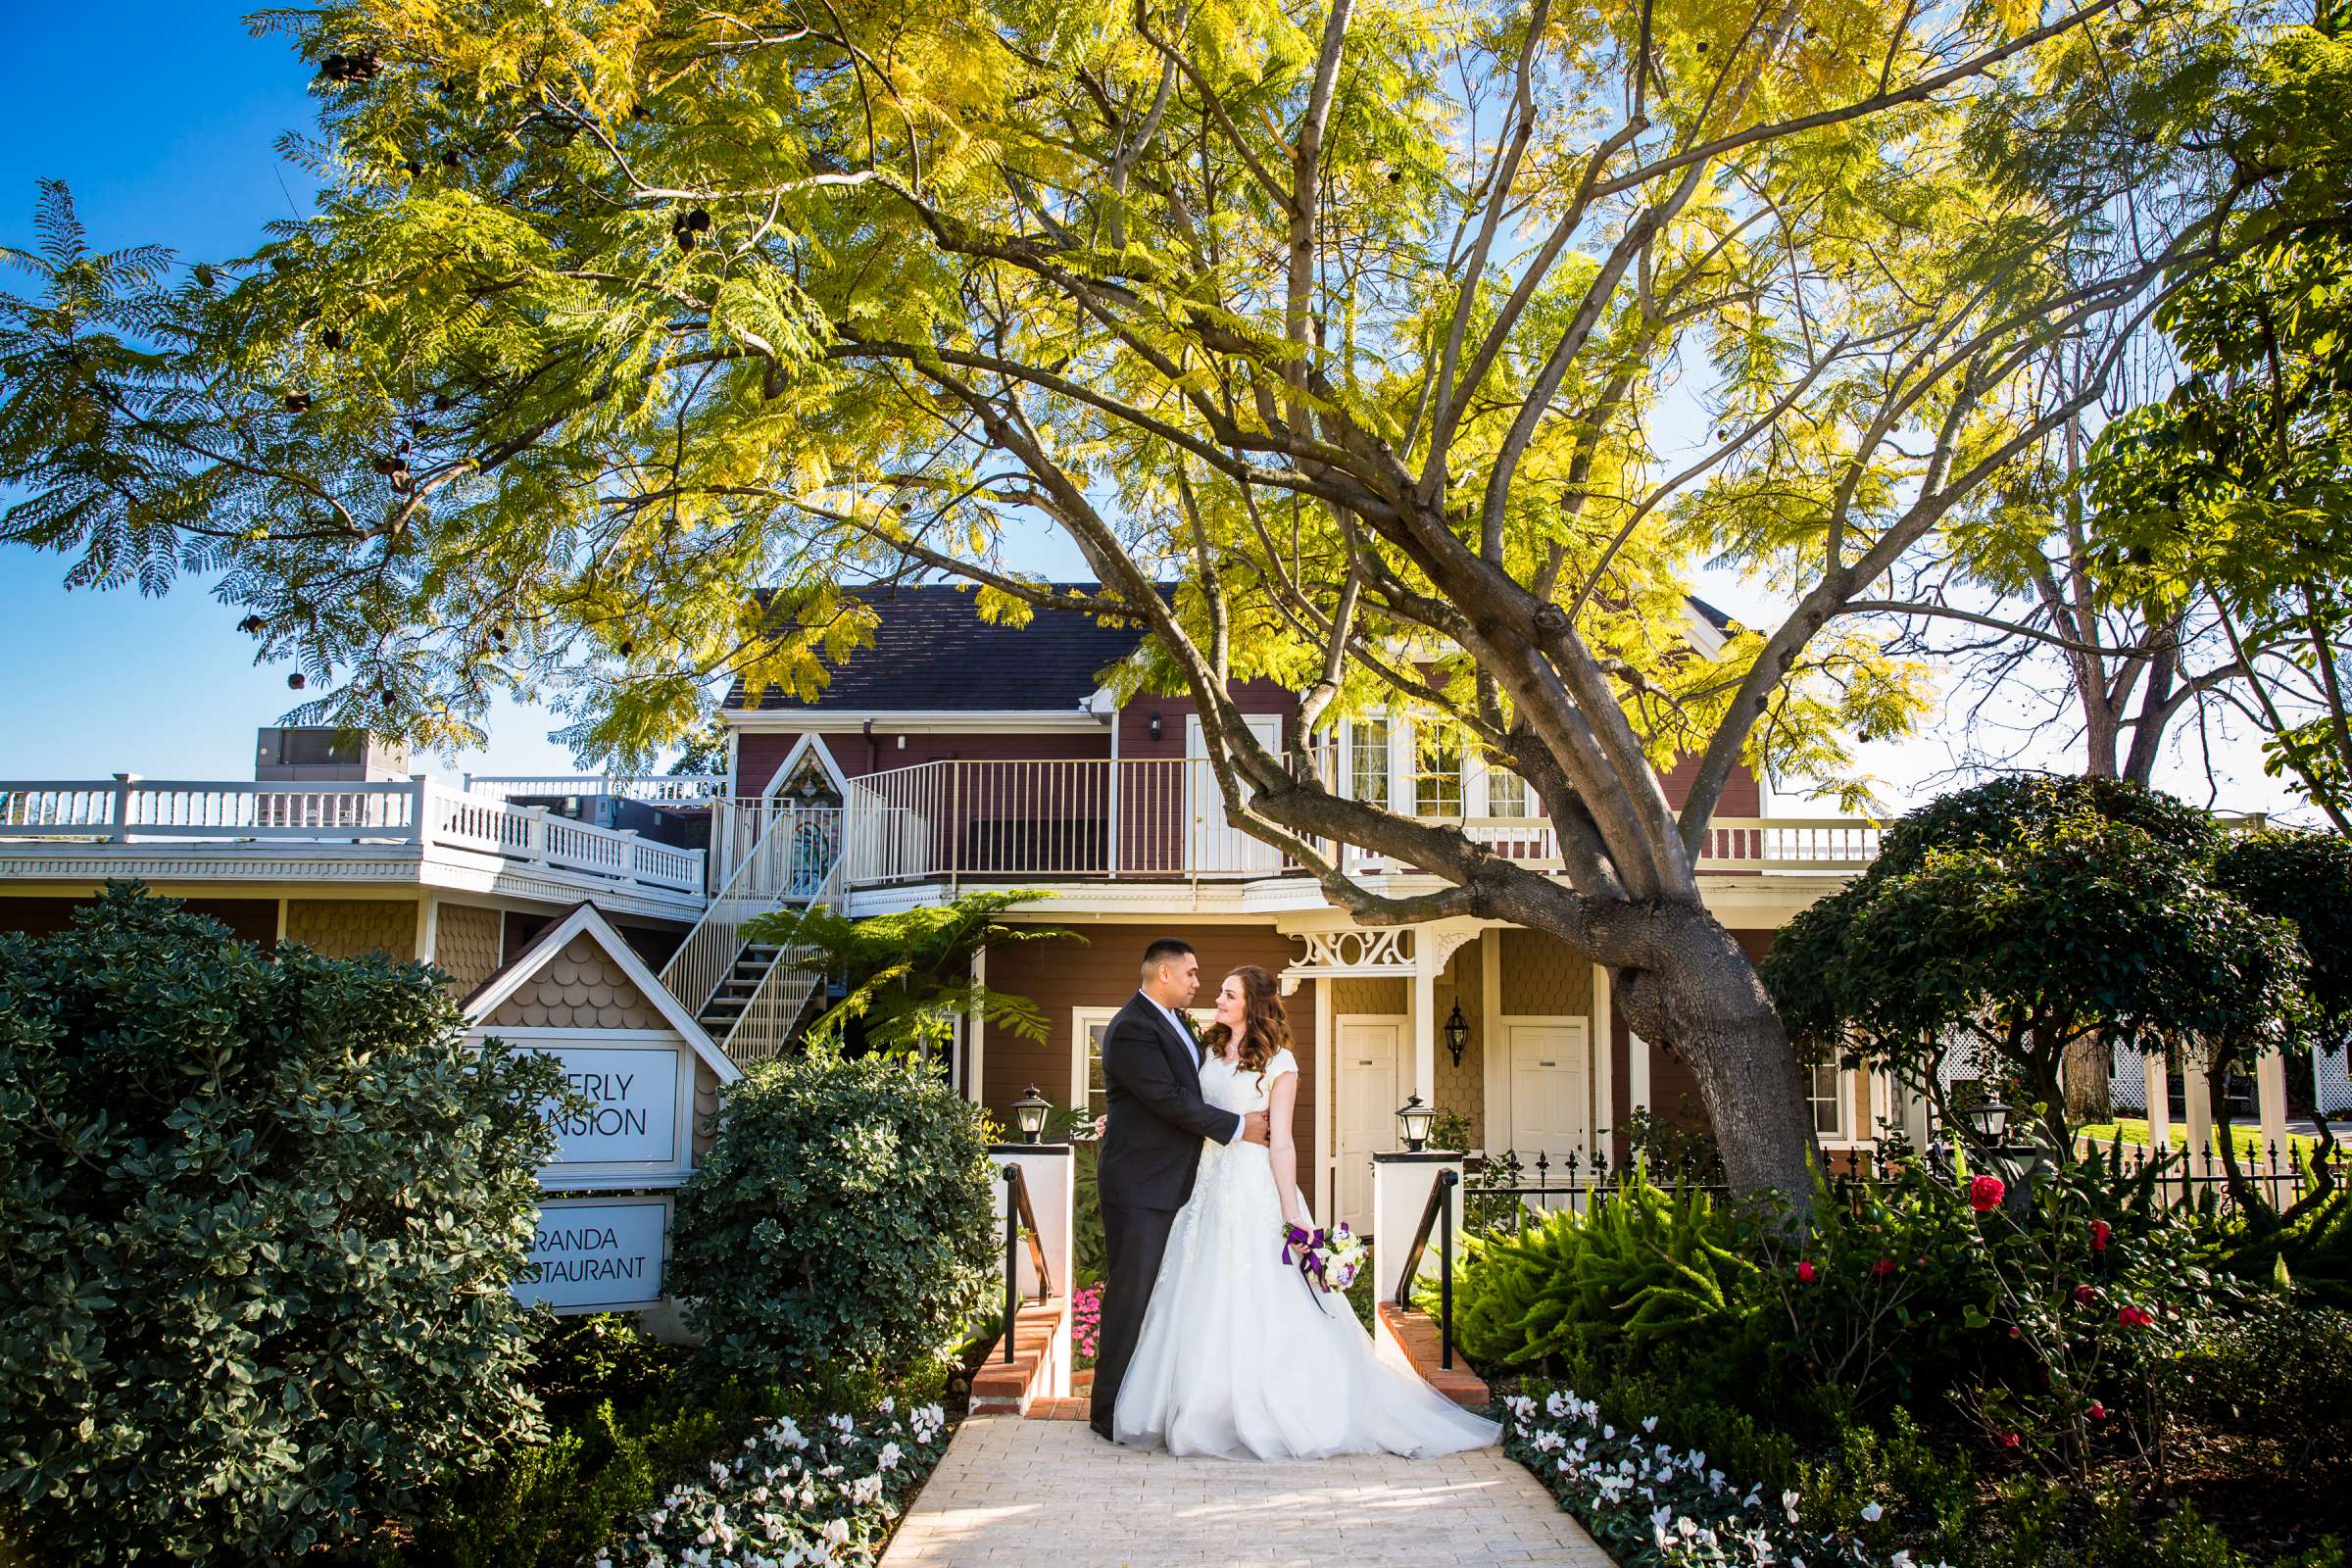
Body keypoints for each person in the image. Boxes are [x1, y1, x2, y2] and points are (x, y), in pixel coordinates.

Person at [1110, 962, 1502, 1459]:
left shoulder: (1281, 1063)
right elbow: (1177, 1106)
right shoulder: (1206, 1050)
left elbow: (1283, 1144)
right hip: (1204, 1186)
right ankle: (1197, 1407)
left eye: (1228, 995)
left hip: (1251, 1186)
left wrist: (1293, 1211)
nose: (1218, 1001)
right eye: (1219, 993)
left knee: (1260, 1296)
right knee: (1195, 1290)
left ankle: (1273, 1408)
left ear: (1252, 1004)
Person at [1087, 938, 1268, 1442]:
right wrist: (1237, 1127)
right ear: (1163, 974)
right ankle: (1108, 1411)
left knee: (1168, 1295)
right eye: (1190, 974)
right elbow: (1165, 1098)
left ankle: (1150, 1398)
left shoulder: (1177, 1025)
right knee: (1131, 1293)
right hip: (1140, 1184)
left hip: (1181, 1180)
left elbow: (1171, 1095)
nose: (1196, 983)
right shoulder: (1131, 1029)